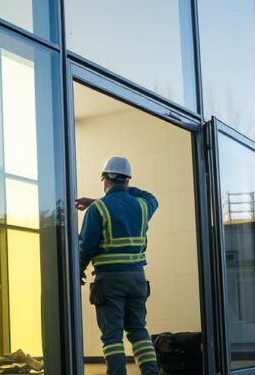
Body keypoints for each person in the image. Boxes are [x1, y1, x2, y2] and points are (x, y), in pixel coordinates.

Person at [76, 156, 160, 375]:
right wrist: (123, 191)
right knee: (138, 330)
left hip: (109, 281)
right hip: (137, 279)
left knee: (112, 336)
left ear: (104, 178)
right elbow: (151, 197)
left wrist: (78, 269)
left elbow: (86, 246)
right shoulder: (143, 206)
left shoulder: (98, 209)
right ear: (127, 180)